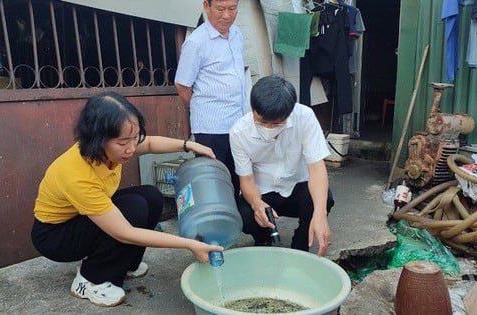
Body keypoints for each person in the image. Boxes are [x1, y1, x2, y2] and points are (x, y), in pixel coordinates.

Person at [31, 92, 223, 307]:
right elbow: (124, 232)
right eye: (123, 142)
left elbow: (149, 144)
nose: (131, 148)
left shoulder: (110, 149)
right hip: (56, 236)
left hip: (81, 219)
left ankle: (126, 264)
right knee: (133, 209)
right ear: (98, 139)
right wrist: (190, 244)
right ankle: (90, 279)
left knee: (151, 197)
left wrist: (189, 145)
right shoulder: (77, 174)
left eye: (134, 138)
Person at [229, 75, 334, 256]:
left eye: (277, 123)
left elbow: (317, 168)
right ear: (253, 109)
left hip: (296, 186)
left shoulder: (305, 117)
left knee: (323, 200)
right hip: (263, 191)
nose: (269, 128)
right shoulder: (239, 132)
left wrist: (320, 214)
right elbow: (246, 180)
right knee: (245, 216)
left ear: (290, 112)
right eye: (262, 122)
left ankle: (301, 245)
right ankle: (263, 237)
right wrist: (256, 204)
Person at [174, 0, 245, 197]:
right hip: (210, 128)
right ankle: (215, 224)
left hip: (238, 123)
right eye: (221, 9)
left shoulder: (237, 34)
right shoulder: (196, 42)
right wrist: (201, 108)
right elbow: (182, 85)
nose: (227, 15)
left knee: (237, 178)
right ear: (207, 6)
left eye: (232, 9)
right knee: (214, 182)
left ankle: (234, 223)